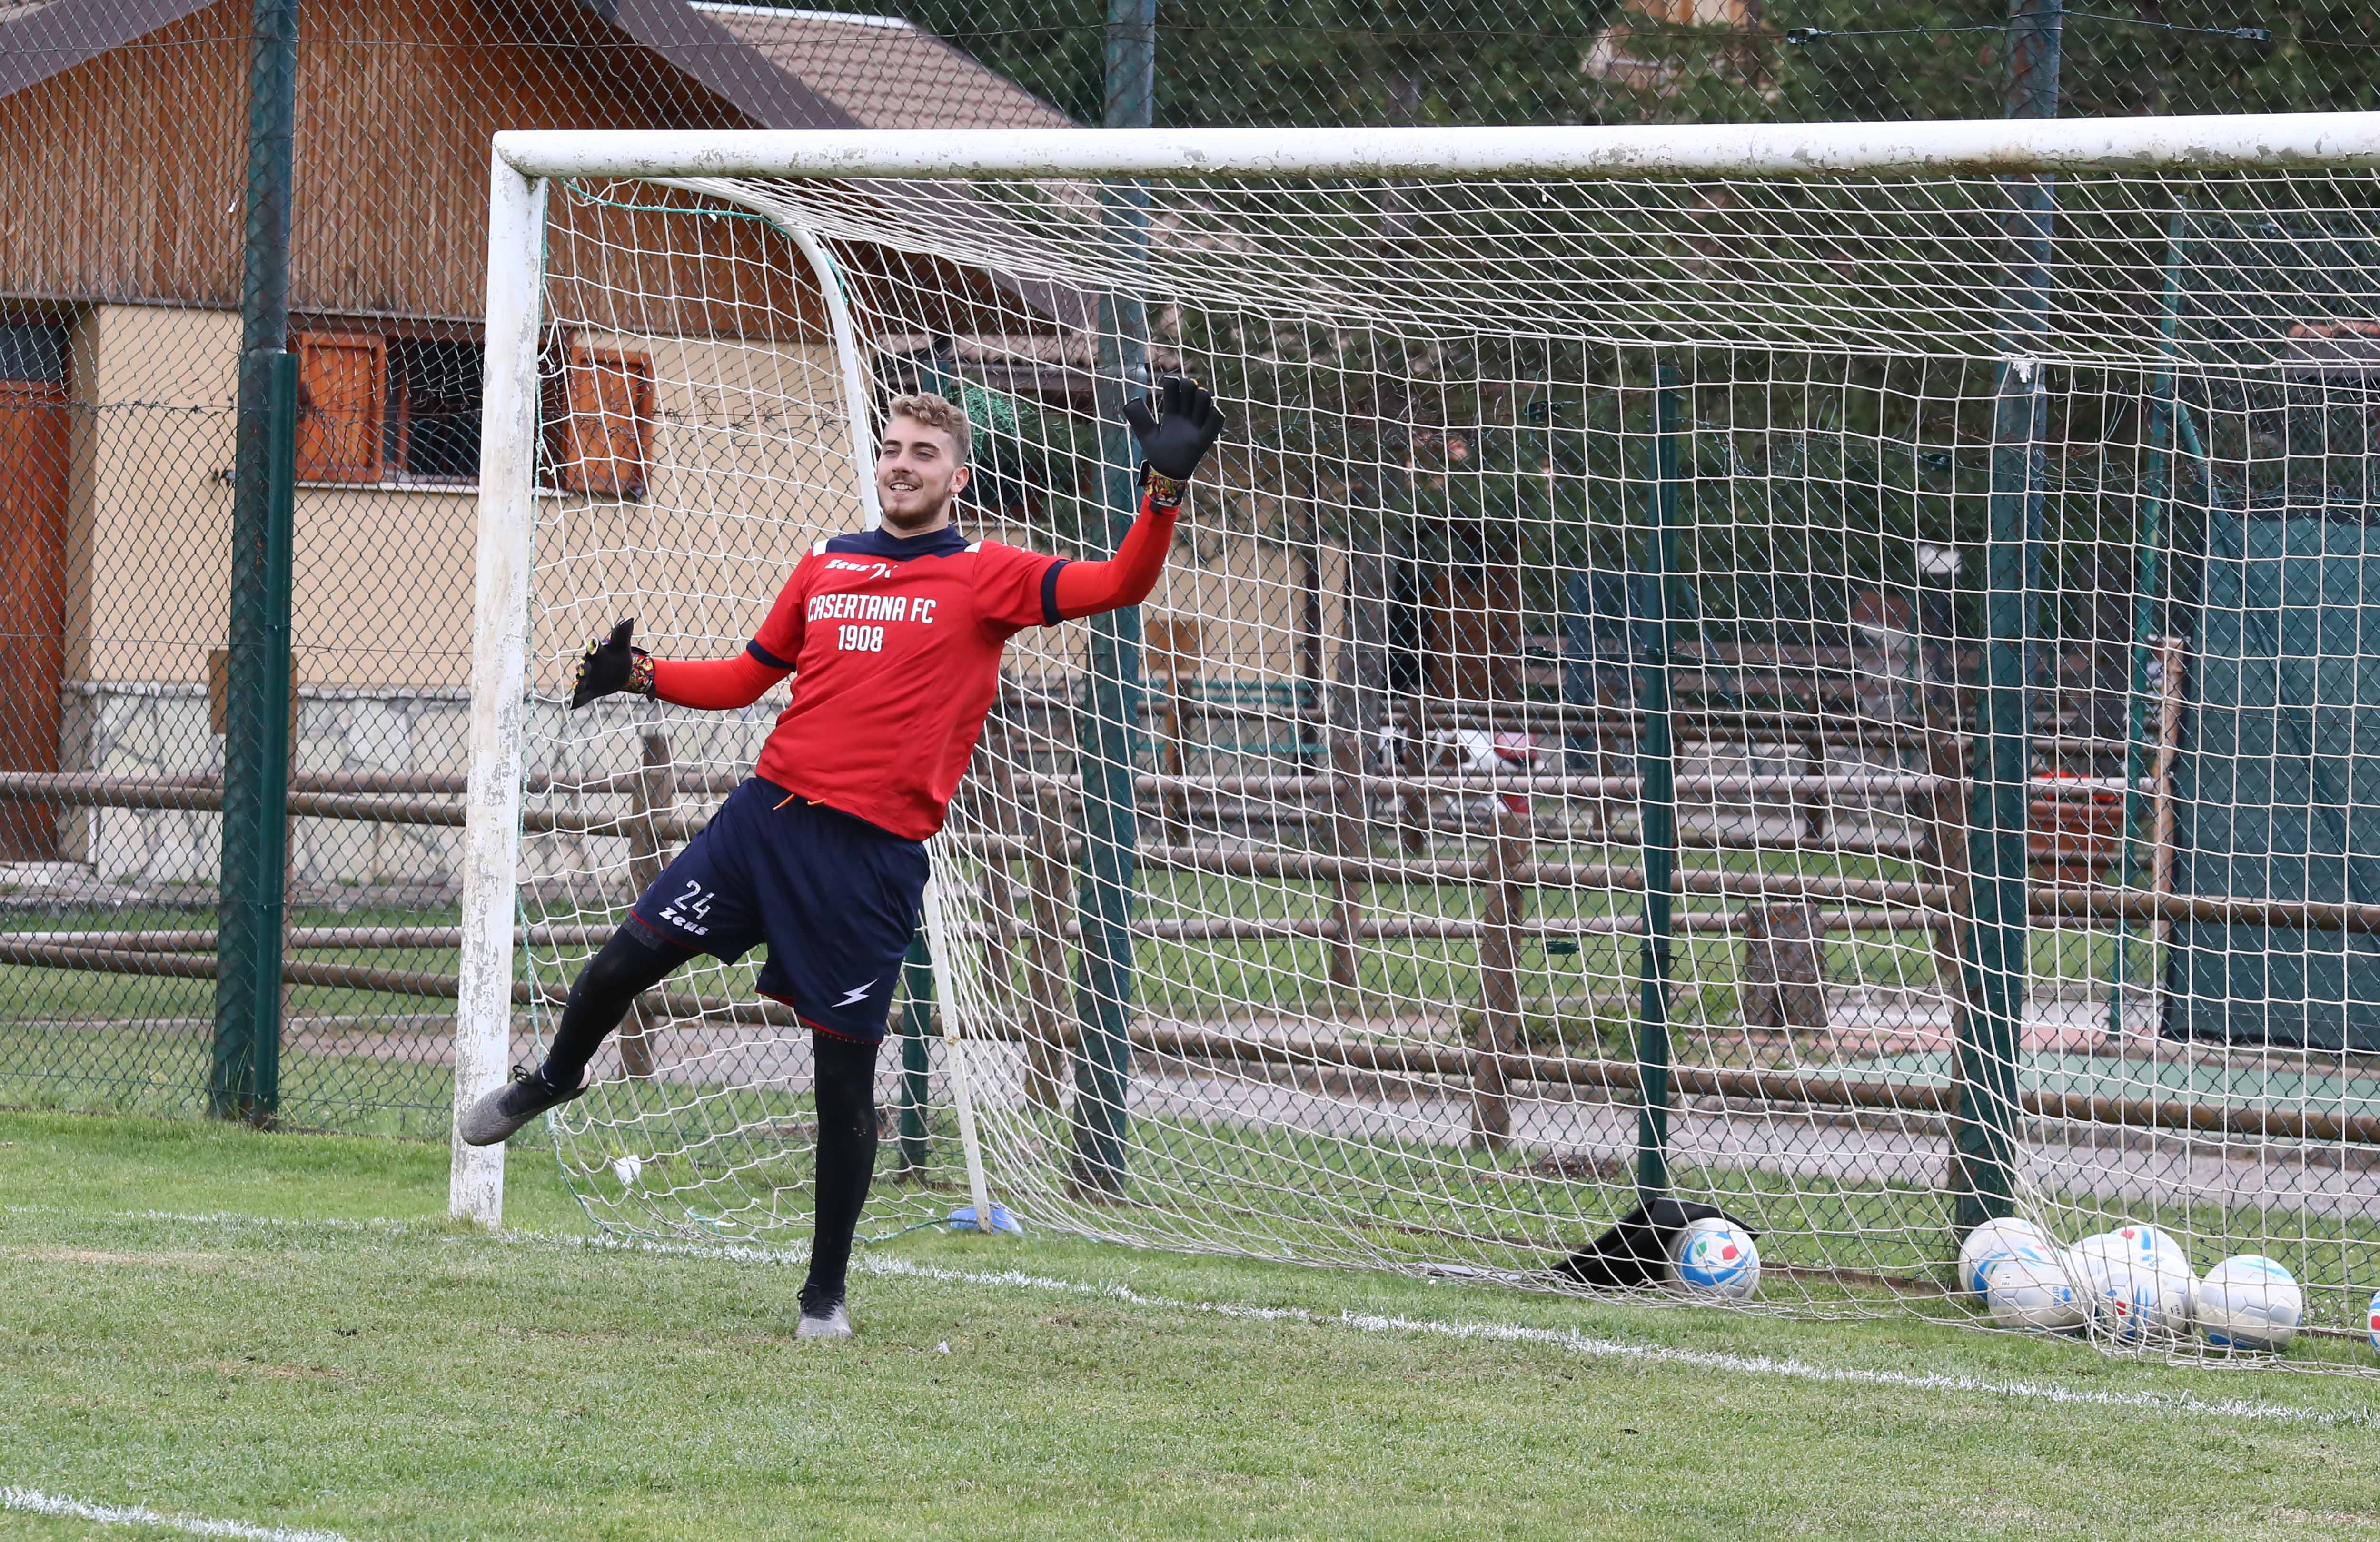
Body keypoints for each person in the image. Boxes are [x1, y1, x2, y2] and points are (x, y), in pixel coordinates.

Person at [460, 379, 1226, 1338]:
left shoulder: (988, 574)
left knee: (840, 1083)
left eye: (923, 454)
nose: (902, 464)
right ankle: (553, 1079)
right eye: (892, 449)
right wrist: (641, 674)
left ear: (958, 475)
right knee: (621, 962)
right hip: (764, 822)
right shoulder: (826, 563)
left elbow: (1120, 586)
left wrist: (1159, 492)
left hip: (868, 861)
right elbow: (747, 678)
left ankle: (824, 1295)